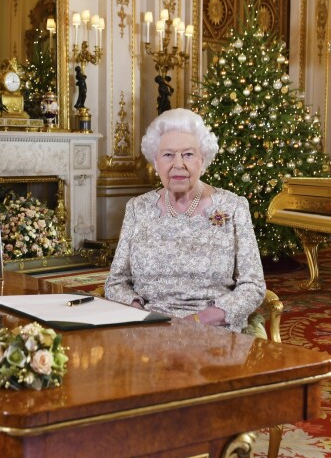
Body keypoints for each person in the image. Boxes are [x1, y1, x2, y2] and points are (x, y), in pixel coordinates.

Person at [105, 108, 266, 333]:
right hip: (149, 328)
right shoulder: (137, 208)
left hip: (213, 331)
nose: (178, 164)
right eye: (168, 155)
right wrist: (137, 312)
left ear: (203, 159)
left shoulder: (233, 207)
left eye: (188, 154)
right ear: (155, 161)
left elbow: (253, 286)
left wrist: (201, 320)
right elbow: (116, 282)